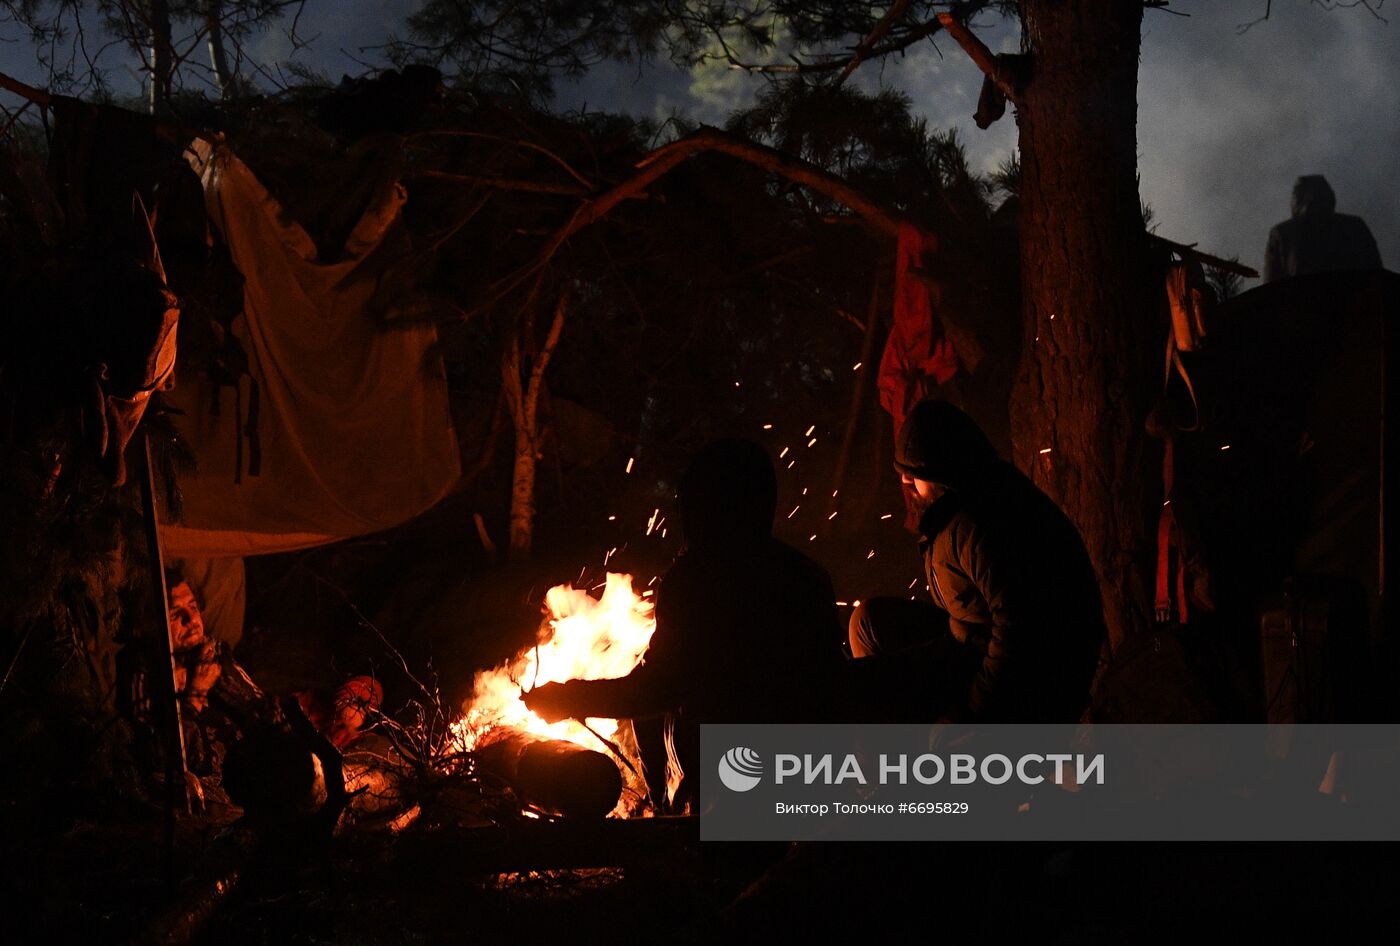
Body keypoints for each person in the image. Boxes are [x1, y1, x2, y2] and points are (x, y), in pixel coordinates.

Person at [523, 439, 844, 808]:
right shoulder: (807, 576)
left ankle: (676, 823)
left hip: (741, 786)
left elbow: (658, 688)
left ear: (705, 511)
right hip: (816, 774)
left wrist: (569, 697)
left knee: (663, 714)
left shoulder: (696, 582)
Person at [849, 400, 1105, 722]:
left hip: (1032, 681)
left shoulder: (981, 524)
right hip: (970, 640)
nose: (908, 486)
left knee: (883, 697)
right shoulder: (962, 502)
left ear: (938, 470)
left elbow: (1019, 630)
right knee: (868, 624)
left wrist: (973, 715)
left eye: (913, 476)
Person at [1263, 175, 1382, 283]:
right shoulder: (1355, 226)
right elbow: (1377, 274)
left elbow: (1271, 288)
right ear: (1330, 197)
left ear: (1297, 200)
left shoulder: (1282, 233)